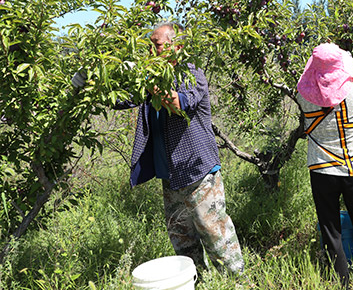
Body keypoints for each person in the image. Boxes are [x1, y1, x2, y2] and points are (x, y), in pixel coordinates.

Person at [72, 22, 244, 275]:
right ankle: (194, 281)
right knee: (182, 237)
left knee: (214, 230)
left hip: (198, 171)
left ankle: (236, 282)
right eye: (150, 46)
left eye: (157, 46)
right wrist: (92, 82)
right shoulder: (150, 78)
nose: (151, 52)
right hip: (170, 174)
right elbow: (121, 99)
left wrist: (148, 78)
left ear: (178, 48)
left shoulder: (191, 73)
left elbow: (177, 103)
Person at [296, 43, 353, 290]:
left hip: (322, 170)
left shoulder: (303, 97)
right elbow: (352, 85)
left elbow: (308, 89)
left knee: (330, 229)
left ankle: (340, 283)